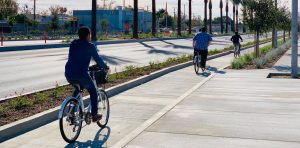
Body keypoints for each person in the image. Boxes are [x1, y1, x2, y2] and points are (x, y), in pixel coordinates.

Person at [65, 26, 109, 122]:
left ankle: (71, 111)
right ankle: (94, 115)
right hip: (81, 74)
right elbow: (98, 59)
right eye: (90, 35)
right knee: (93, 91)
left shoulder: (73, 44)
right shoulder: (90, 46)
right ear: (88, 35)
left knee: (78, 88)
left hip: (69, 74)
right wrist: (105, 67)